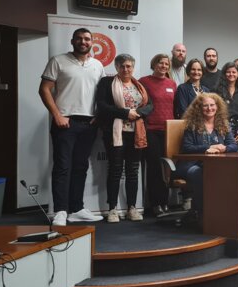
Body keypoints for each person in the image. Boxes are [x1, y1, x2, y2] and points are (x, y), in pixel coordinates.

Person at [38, 27, 104, 226]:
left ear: (92, 42)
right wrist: (57, 114)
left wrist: (98, 116)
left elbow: (102, 94)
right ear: (72, 41)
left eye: (87, 39)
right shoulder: (58, 61)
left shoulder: (98, 65)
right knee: (62, 167)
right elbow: (44, 89)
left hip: (89, 123)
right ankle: (60, 210)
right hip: (65, 122)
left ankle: (76, 209)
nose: (83, 42)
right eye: (80, 38)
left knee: (80, 167)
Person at [95, 53, 152, 223]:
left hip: (136, 133)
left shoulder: (139, 85)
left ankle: (132, 208)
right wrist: (126, 113)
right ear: (116, 67)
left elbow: (149, 105)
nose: (126, 69)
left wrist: (137, 113)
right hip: (115, 132)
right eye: (122, 66)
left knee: (133, 171)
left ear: (133, 68)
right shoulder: (107, 83)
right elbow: (102, 106)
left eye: (129, 66)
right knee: (115, 170)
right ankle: (112, 208)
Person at [178, 93, 238, 224]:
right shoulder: (191, 125)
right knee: (200, 174)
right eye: (205, 105)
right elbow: (187, 148)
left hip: (215, 165)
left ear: (217, 107)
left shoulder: (223, 125)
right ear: (199, 108)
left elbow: (233, 145)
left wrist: (224, 148)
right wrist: (208, 147)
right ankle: (200, 213)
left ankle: (222, 212)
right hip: (191, 165)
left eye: (212, 105)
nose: (209, 108)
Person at [139, 53, 177, 215]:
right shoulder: (144, 82)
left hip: (169, 130)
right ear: (154, 64)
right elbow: (140, 103)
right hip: (152, 130)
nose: (164, 66)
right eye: (160, 63)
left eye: (166, 64)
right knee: (154, 166)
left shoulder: (172, 83)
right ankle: (155, 203)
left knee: (168, 167)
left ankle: (165, 201)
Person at [215, 61, 238, 142]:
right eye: (228, 72)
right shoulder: (217, 92)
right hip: (221, 129)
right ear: (224, 74)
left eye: (234, 72)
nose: (231, 74)